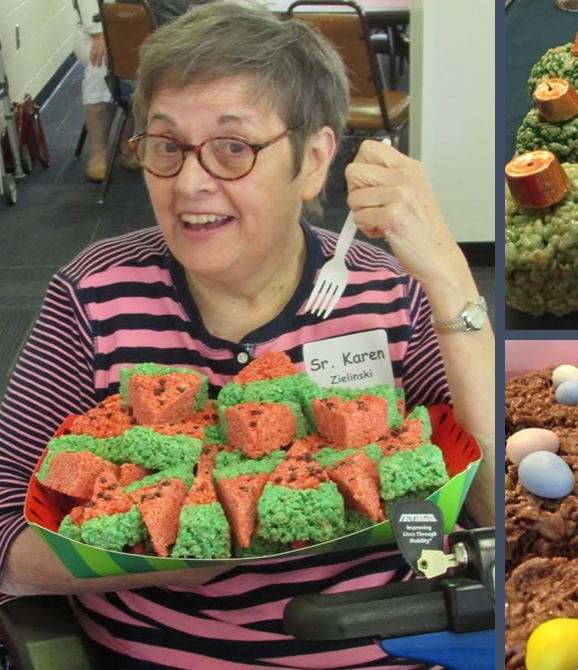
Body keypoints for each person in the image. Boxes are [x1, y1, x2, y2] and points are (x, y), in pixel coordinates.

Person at [0, 3, 495, 668]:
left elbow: (496, 508)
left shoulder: (390, 291)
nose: (190, 182)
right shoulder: (92, 294)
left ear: (314, 160)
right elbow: (7, 535)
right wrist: (175, 546)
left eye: (233, 147)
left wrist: (454, 286)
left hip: (384, 643)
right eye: (167, 145)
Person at [71, 0, 141, 181]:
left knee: (150, 68)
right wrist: (98, 30)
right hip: (100, 30)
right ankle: (98, 151)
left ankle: (128, 142)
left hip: (145, 24)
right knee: (100, 66)